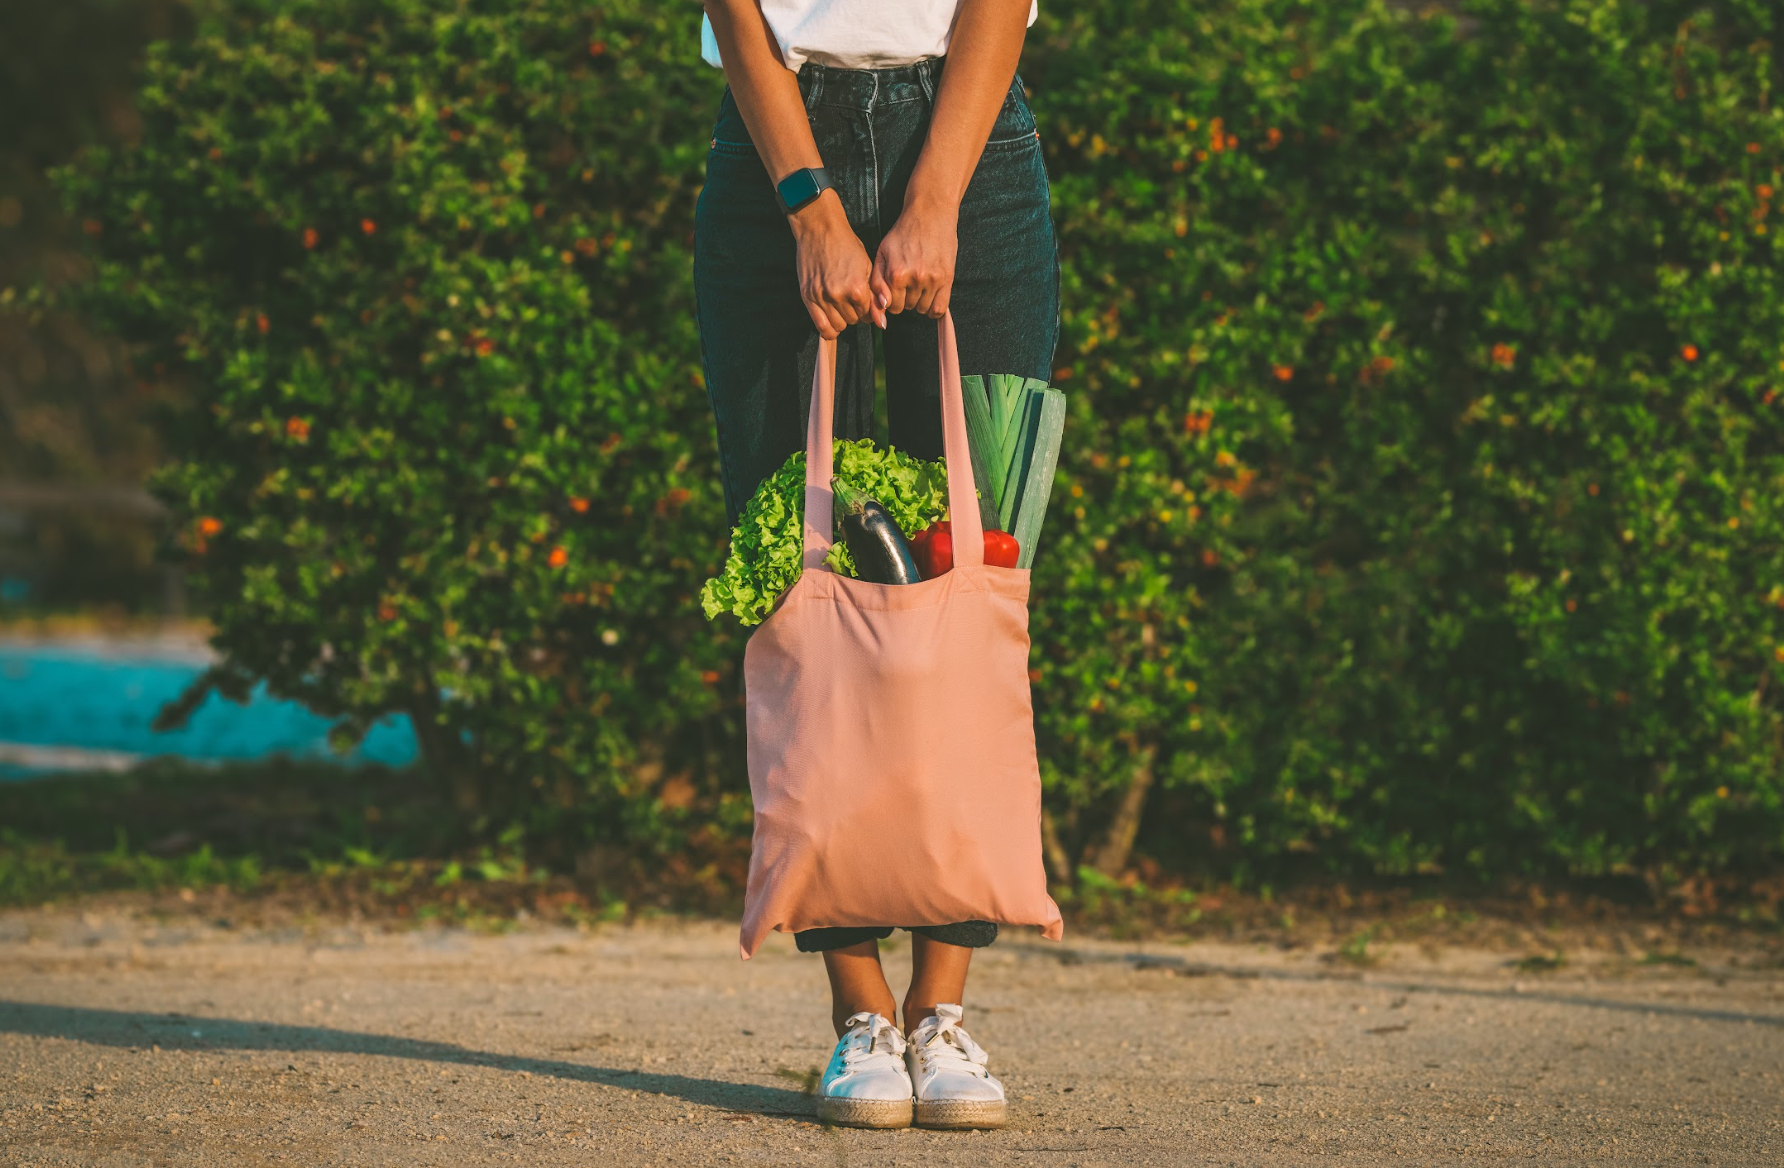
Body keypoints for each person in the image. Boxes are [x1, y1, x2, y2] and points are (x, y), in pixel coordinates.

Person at [694, 0, 1059, 1131]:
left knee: (975, 565)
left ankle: (940, 1010)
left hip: (969, 143)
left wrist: (935, 199)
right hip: (774, 155)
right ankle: (859, 1013)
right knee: (800, 587)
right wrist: (809, 207)